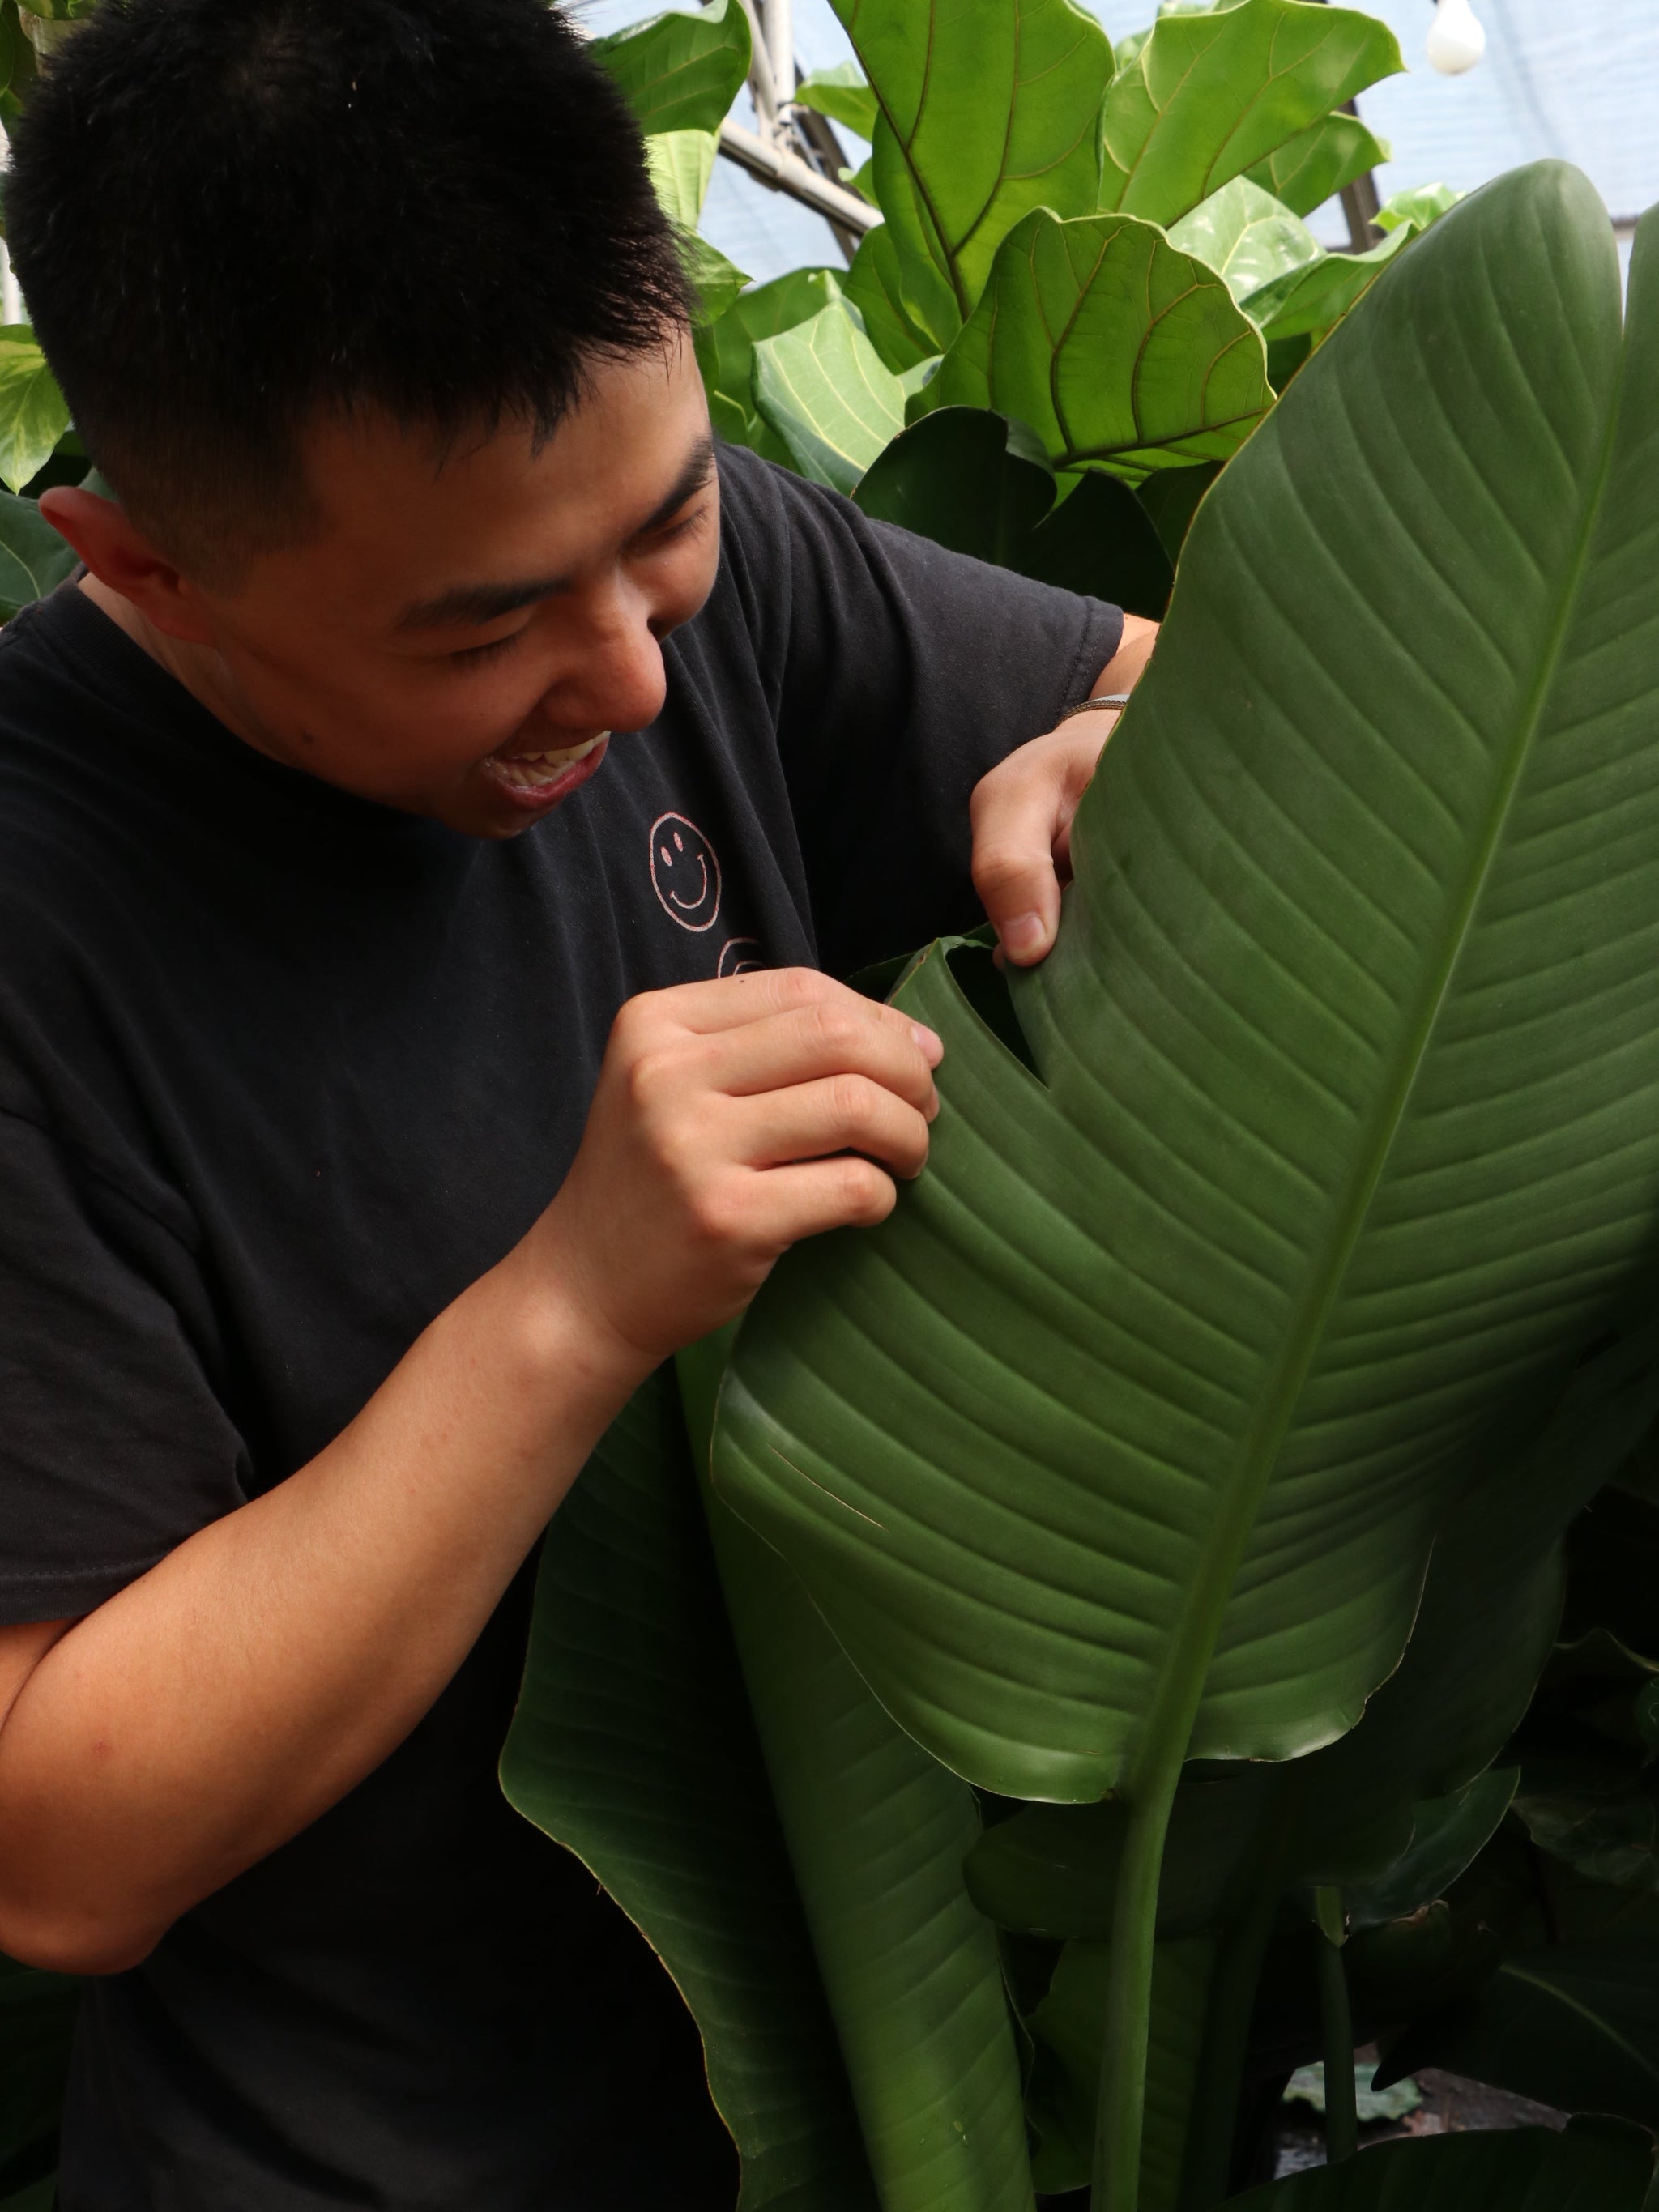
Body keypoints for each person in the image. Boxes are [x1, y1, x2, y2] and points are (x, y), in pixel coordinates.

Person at [0, 0, 1156, 2205]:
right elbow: (58, 1840)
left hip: (875, 2092)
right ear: (143, 560)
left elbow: (1194, 696)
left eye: (672, 519)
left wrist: (1133, 774)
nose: (634, 675)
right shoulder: (38, 926)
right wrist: (571, 1304)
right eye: (486, 629)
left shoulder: (655, 577)